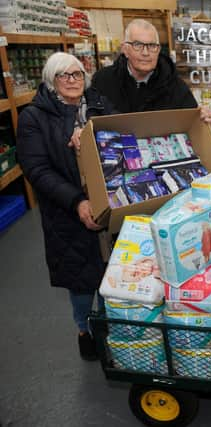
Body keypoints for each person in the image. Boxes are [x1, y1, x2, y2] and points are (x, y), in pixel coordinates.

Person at [17, 52, 115, 361]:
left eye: (77, 74)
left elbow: (122, 136)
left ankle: (113, 331)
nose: (73, 80)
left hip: (109, 206)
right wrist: (77, 201)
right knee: (82, 281)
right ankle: (84, 331)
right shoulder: (35, 117)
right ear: (51, 80)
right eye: (64, 75)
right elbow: (37, 170)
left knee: (112, 275)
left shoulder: (100, 104)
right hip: (68, 213)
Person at [91, 19, 211, 123]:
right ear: (125, 50)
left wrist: (205, 121)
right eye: (138, 45)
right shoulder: (103, 81)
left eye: (152, 46)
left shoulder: (175, 87)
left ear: (158, 50)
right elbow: (90, 122)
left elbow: (193, 128)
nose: (145, 53)